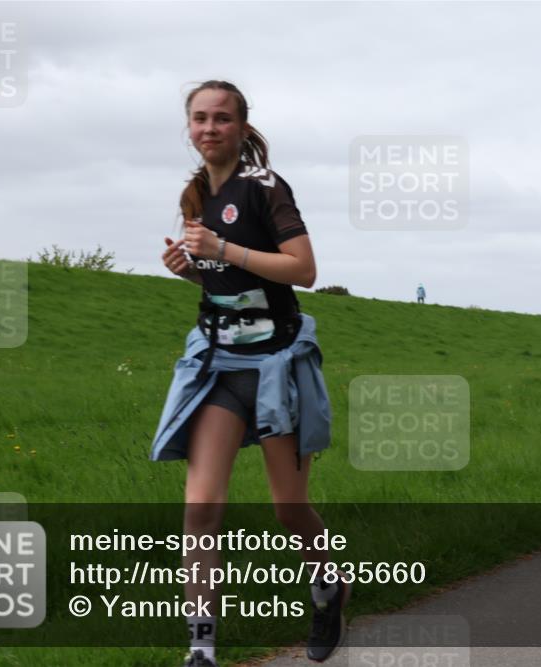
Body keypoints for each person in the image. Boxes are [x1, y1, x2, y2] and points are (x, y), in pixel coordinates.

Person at [153, 80, 349, 667]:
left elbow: (303, 269)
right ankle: (201, 648)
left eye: (221, 118)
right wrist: (188, 271)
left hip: (277, 367)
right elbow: (226, 284)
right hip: (218, 367)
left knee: (288, 509)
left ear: (242, 126)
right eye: (199, 119)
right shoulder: (193, 196)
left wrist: (224, 248)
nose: (209, 128)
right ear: (188, 128)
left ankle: (327, 585)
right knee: (201, 507)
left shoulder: (265, 187)